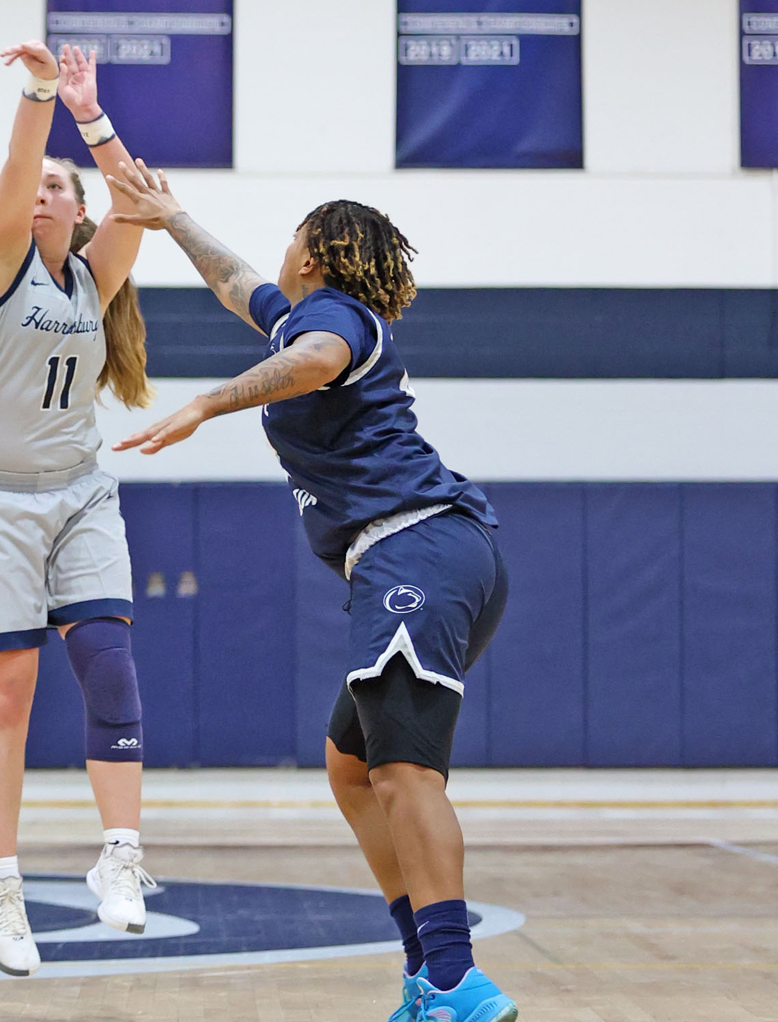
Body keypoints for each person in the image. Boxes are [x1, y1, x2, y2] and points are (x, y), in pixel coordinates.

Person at [106, 164, 517, 1022]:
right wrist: (170, 216)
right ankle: (423, 972)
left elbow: (316, 361)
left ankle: (455, 978)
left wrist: (207, 404)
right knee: (353, 766)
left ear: (317, 252)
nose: (280, 249)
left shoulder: (330, 322)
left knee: (404, 771)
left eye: (293, 233)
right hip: (428, 555)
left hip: (414, 549)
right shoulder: (300, 312)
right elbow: (231, 282)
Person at [0, 41, 154, 976]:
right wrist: (38, 99)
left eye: (59, 186)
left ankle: (121, 859)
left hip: (76, 492)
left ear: (75, 209)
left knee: (108, 666)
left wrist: (91, 116)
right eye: (36, 183)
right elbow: (18, 171)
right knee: (9, 692)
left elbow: (138, 199)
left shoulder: (91, 277)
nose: (41, 192)